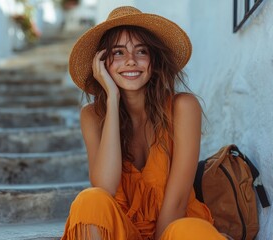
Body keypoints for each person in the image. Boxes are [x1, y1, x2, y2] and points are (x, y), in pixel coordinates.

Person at [62, 6, 227, 240]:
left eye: (141, 51)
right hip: (121, 231)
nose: (130, 61)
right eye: (118, 53)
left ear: (153, 60)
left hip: (172, 229)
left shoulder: (183, 108)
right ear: (102, 63)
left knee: (191, 230)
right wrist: (112, 98)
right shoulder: (93, 116)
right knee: (90, 200)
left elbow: (178, 200)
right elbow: (105, 186)